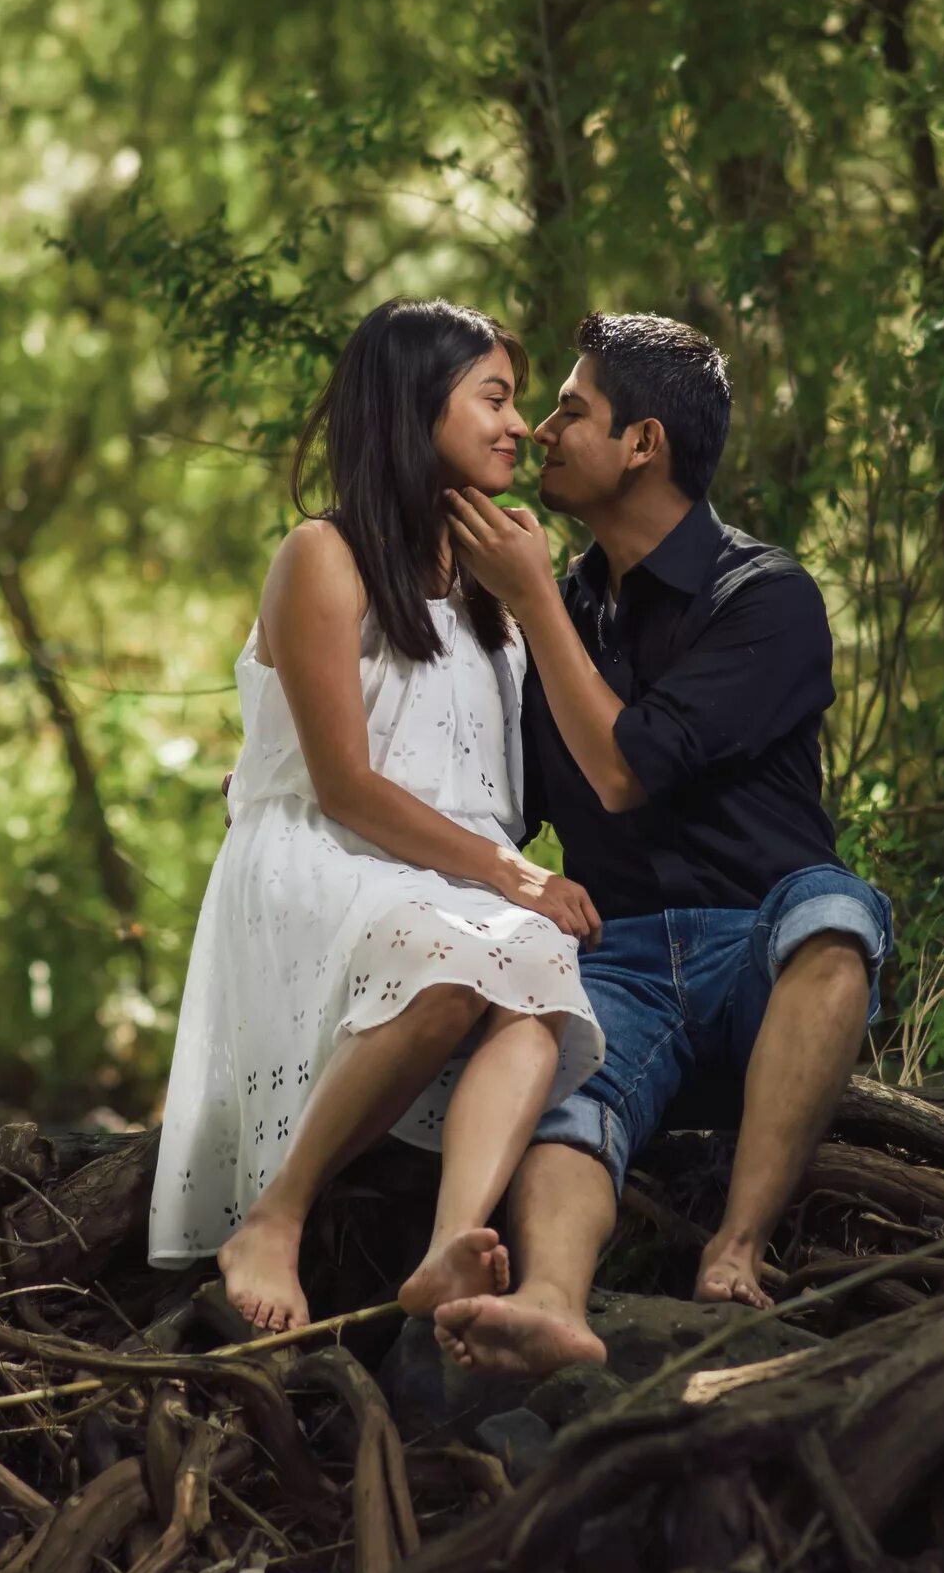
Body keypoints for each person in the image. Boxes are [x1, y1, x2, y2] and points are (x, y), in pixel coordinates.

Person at [432, 311, 893, 1376]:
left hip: (757, 963)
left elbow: (626, 768)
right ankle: (552, 1300)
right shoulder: (552, 607)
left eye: (571, 410)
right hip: (618, 958)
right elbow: (487, 797)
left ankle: (737, 1246)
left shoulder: (765, 597)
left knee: (838, 913)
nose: (542, 430)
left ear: (642, 443)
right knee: (563, 1065)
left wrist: (535, 599)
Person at [148, 298, 607, 1335]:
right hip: (328, 851)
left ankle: (452, 1243)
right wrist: (511, 872)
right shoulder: (322, 552)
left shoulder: (496, 576)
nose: (518, 424)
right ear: (414, 406)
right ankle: (274, 1214)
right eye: (493, 396)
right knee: (454, 962)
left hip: (444, 874)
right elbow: (347, 785)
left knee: (536, 979)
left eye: (519, 401)